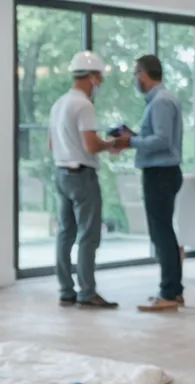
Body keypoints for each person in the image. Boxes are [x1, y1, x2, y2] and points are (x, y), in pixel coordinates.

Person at [48, 50, 122, 310]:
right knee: (88, 236)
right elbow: (90, 145)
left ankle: (66, 291)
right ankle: (87, 292)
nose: (99, 83)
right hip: (82, 175)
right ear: (91, 76)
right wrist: (111, 143)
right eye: (99, 78)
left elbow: (50, 144)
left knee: (65, 233)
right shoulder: (84, 105)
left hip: (60, 173)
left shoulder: (58, 104)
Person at [113, 54, 186, 312]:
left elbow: (162, 140)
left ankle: (168, 293)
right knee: (163, 232)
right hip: (162, 173)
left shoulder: (161, 102)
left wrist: (130, 142)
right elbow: (156, 136)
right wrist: (133, 136)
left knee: (162, 234)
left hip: (160, 174)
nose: (135, 79)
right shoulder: (159, 101)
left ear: (144, 73)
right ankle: (174, 291)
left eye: (135, 74)